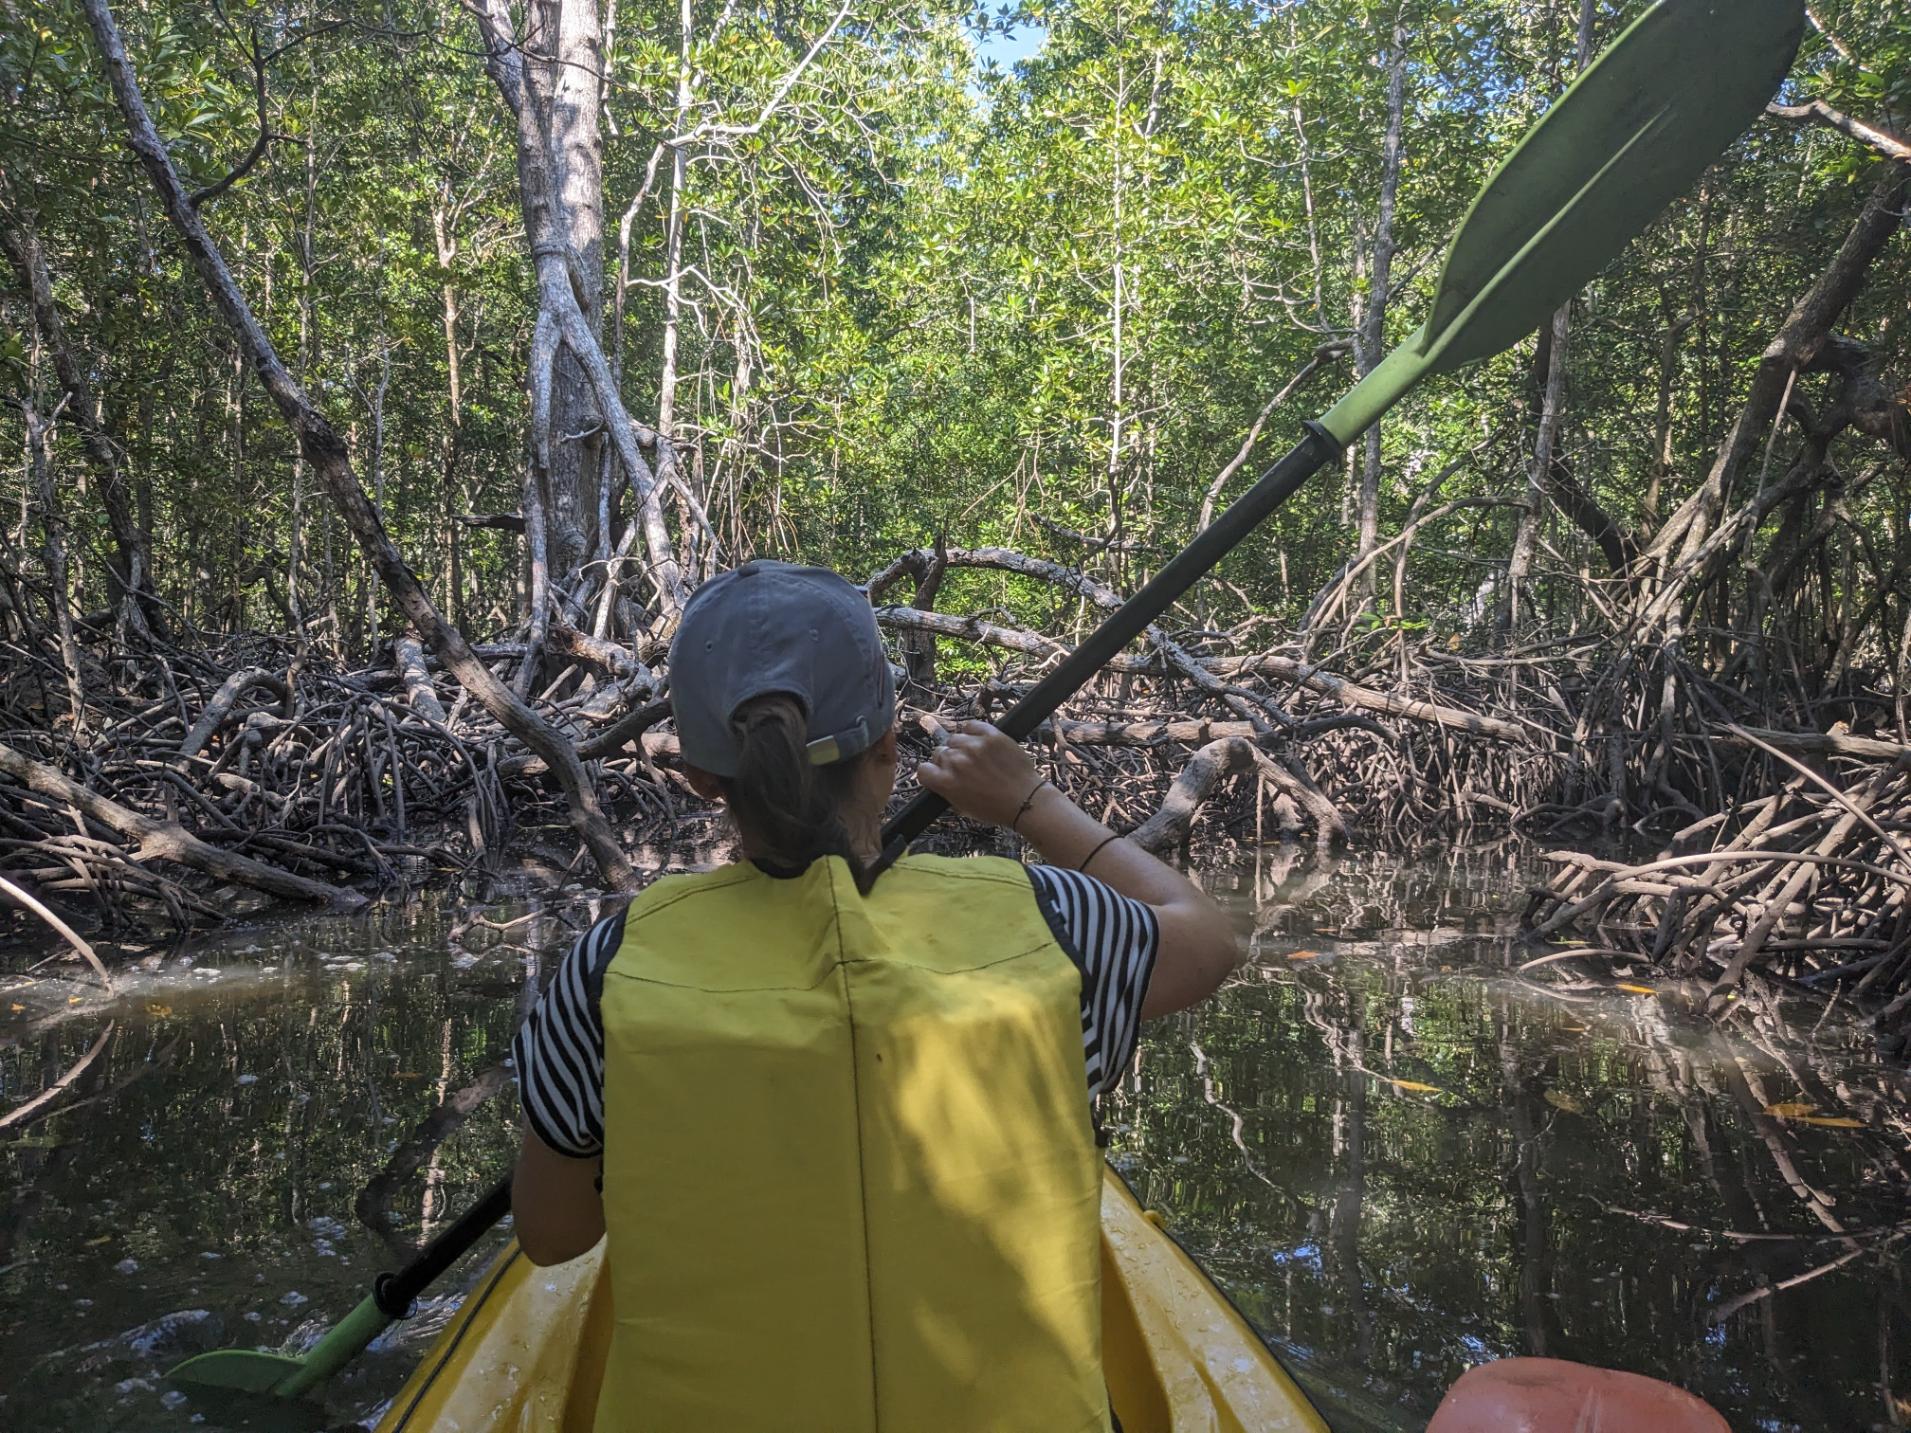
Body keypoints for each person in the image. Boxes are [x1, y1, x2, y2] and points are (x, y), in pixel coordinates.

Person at [509, 560, 1237, 1431]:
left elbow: (553, 1236)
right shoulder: (1053, 922)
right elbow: (1207, 937)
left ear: (702, 779)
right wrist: (1030, 801)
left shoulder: (606, 968)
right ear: (891, 745)